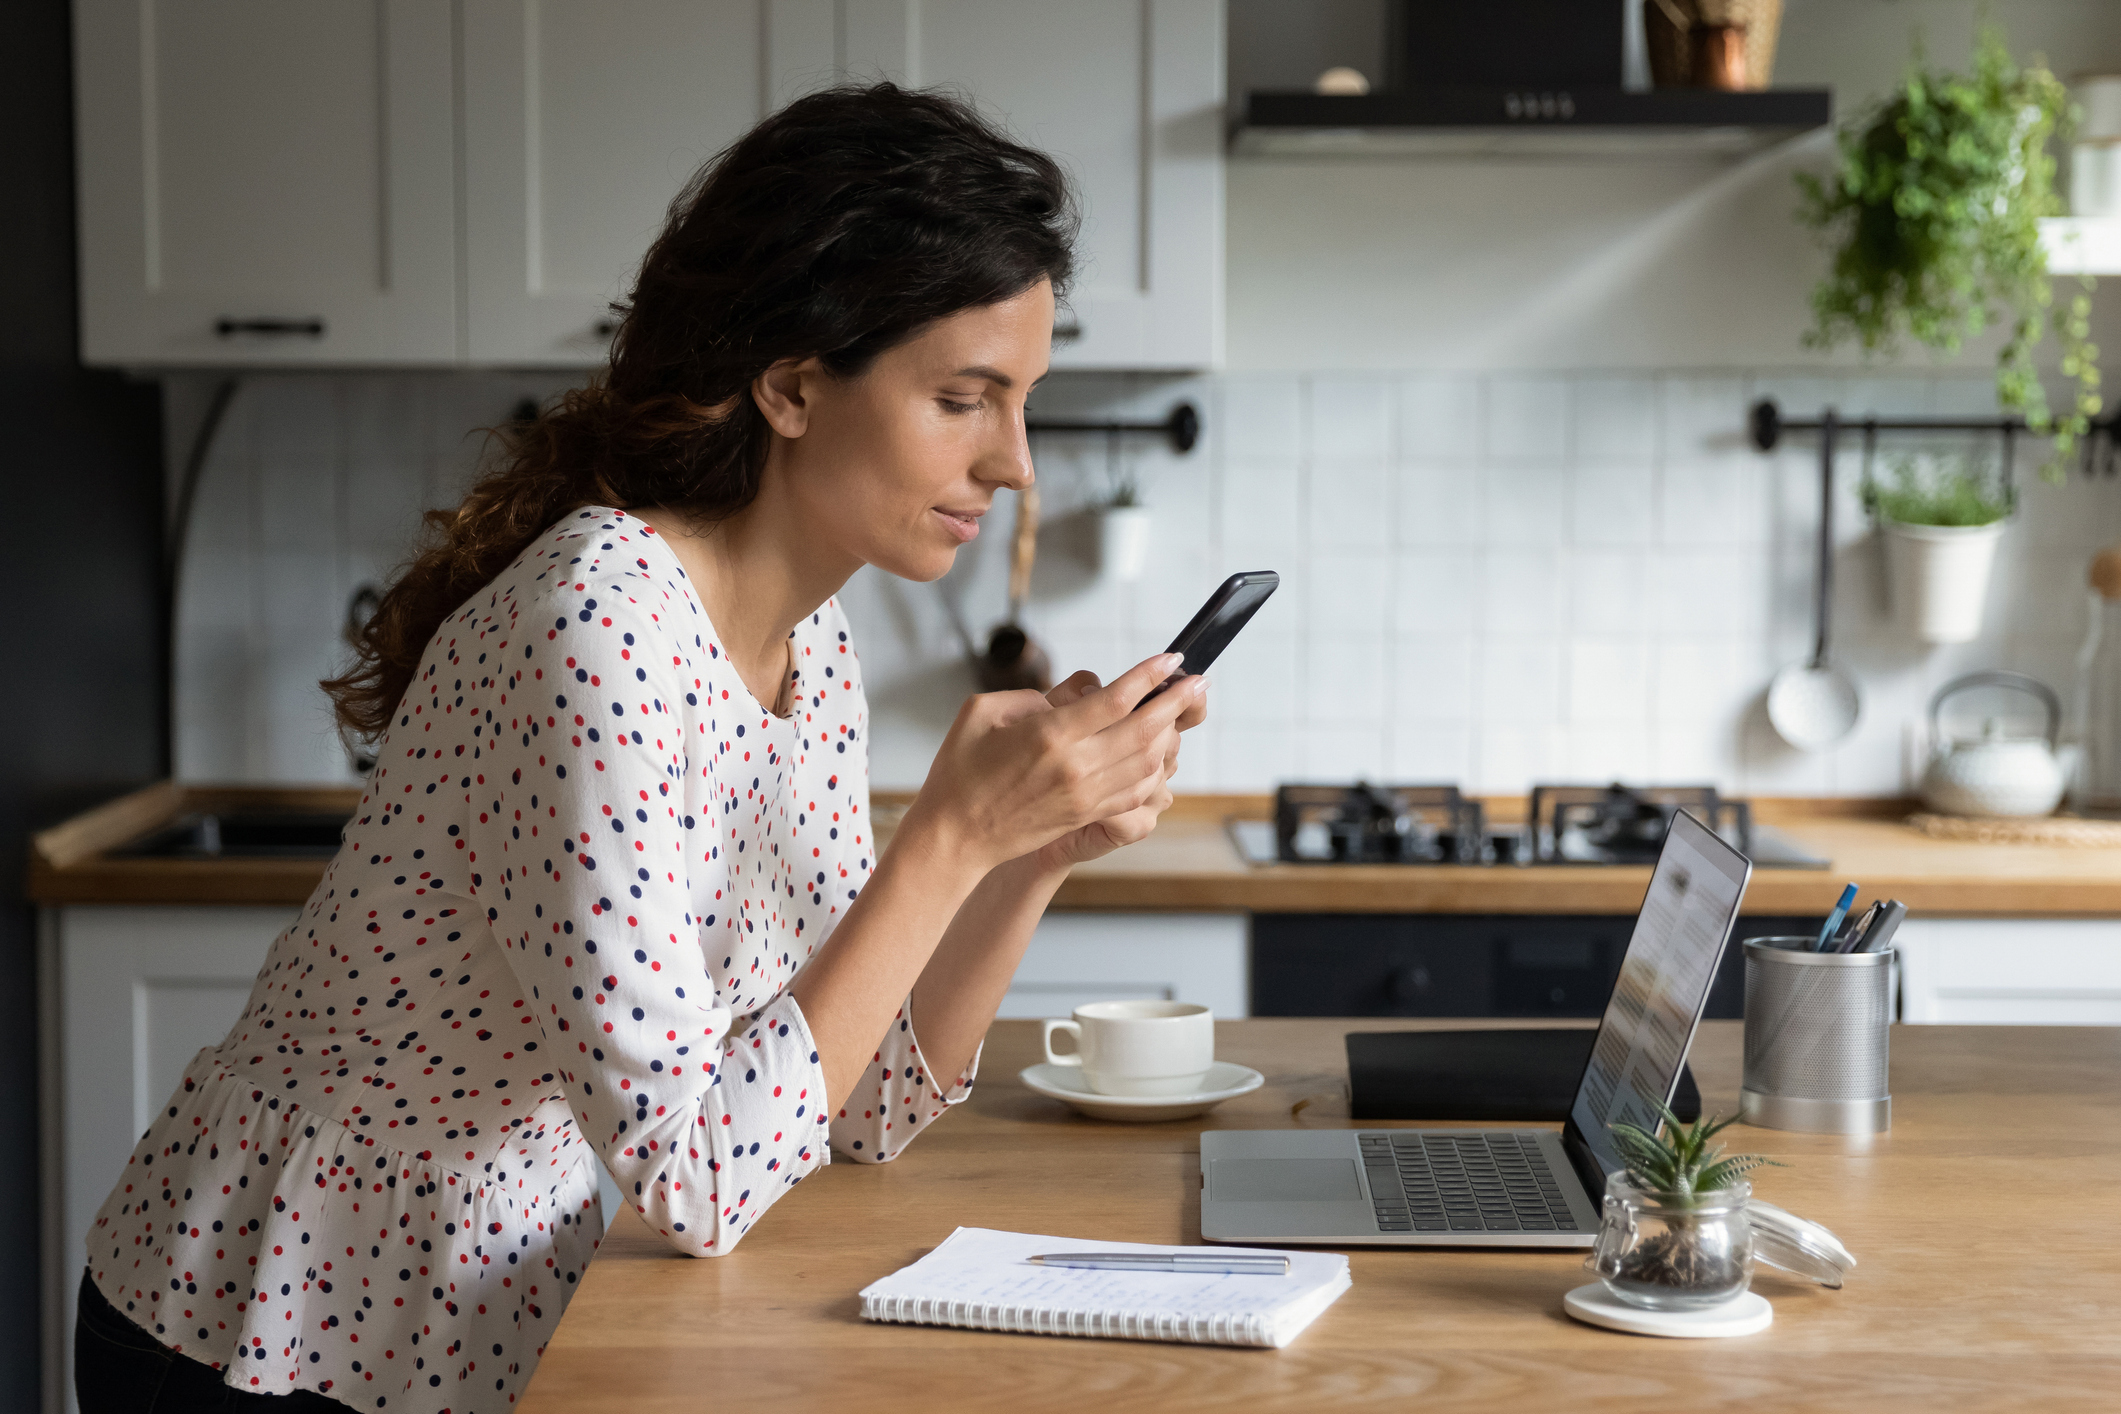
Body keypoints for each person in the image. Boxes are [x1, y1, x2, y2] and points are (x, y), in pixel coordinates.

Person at [76, 83, 1207, 1413]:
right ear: (791, 384)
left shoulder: (811, 646)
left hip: (492, 1313)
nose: (1014, 463)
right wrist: (947, 833)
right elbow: (704, 1175)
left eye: (1021, 402)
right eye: (966, 398)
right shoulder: (595, 627)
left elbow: (847, 1109)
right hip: (270, 1326)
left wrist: (1025, 855)